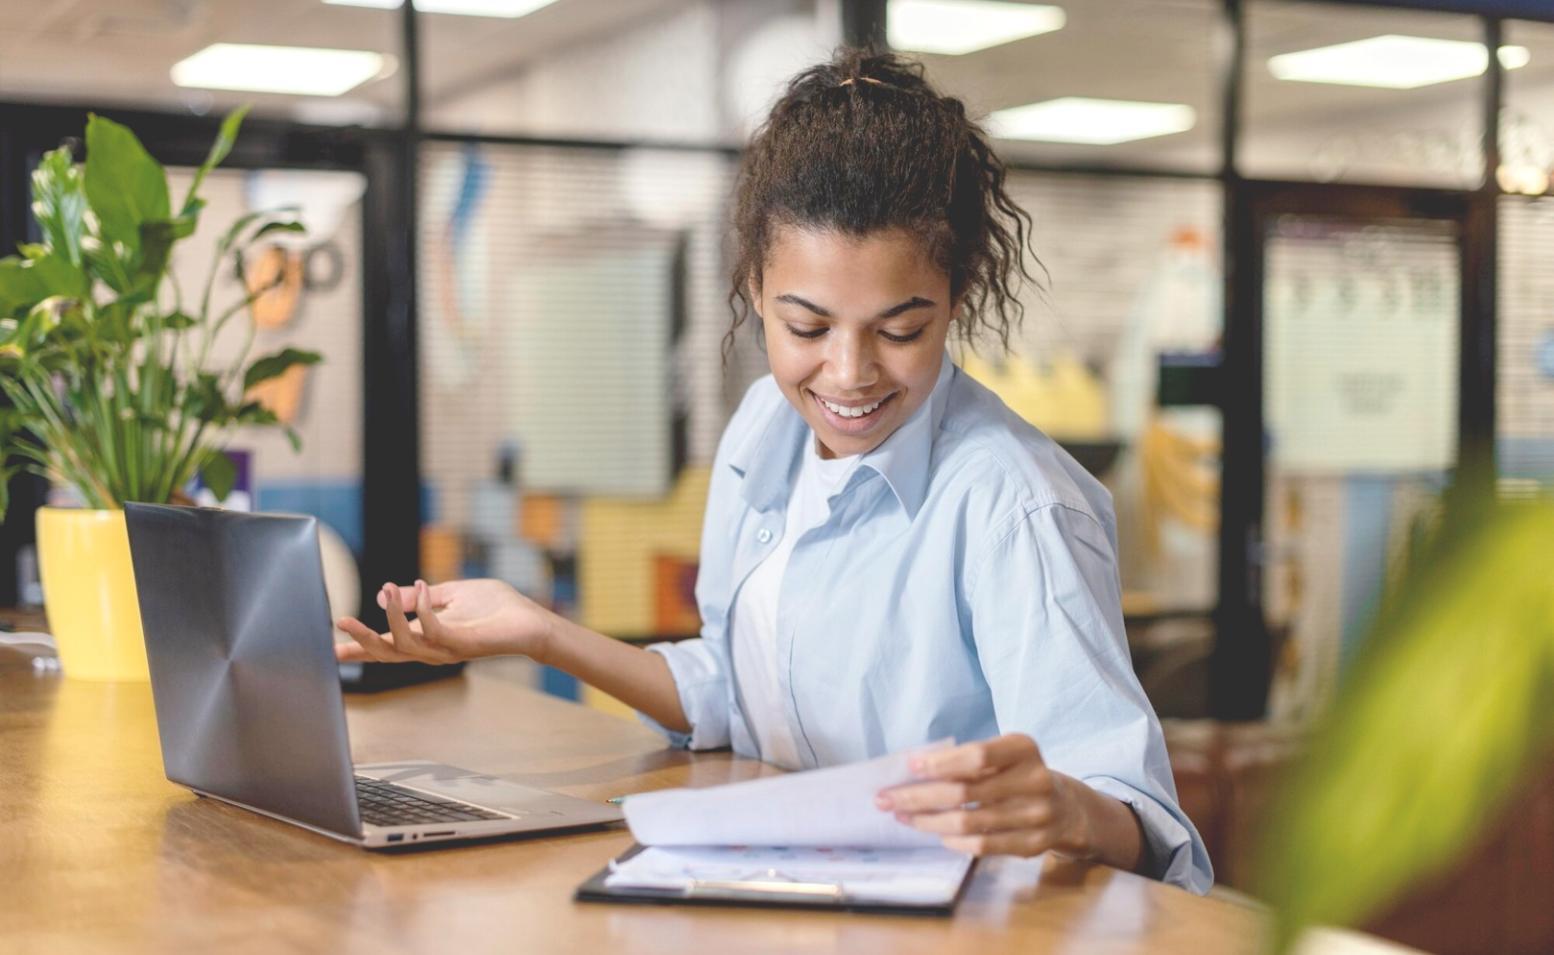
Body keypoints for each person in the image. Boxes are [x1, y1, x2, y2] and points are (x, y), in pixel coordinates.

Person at [336, 49, 1213, 894]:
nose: (848, 372)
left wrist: (1066, 806)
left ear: (957, 298)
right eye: (806, 326)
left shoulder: (1015, 504)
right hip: (793, 888)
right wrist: (541, 632)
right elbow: (732, 682)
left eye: (901, 329)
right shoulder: (765, 424)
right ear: (754, 286)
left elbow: (1142, 822)